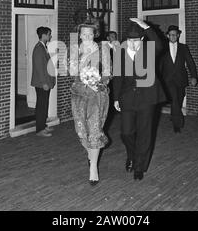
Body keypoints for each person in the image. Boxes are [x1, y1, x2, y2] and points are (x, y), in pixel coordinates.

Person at [112, 18, 166, 181]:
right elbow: (118, 77)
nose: (132, 43)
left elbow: (160, 45)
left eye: (135, 40)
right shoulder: (121, 52)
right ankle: (132, 154)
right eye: (129, 40)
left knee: (144, 132)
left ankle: (139, 166)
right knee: (126, 132)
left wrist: (146, 27)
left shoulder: (149, 49)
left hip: (147, 98)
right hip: (127, 97)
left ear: (142, 39)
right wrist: (116, 98)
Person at [69, 20, 111, 185]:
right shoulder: (74, 49)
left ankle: (93, 167)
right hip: (79, 93)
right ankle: (90, 154)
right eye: (84, 34)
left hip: (97, 95)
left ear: (95, 34)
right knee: (81, 131)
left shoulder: (103, 49)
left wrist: (99, 83)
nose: (87, 37)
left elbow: (108, 73)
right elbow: (72, 72)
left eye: (90, 34)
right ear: (79, 35)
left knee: (94, 130)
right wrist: (83, 58)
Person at [160, 25, 198, 134]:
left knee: (179, 100)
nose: (173, 36)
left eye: (175, 35)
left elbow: (190, 63)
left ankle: (174, 115)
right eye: (171, 35)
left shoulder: (183, 47)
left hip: (181, 79)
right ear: (167, 36)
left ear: (178, 35)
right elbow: (160, 65)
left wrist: (194, 76)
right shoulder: (163, 48)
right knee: (175, 100)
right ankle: (177, 124)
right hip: (168, 80)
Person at [31, 27, 56, 138]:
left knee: (44, 104)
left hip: (45, 82)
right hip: (42, 83)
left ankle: (43, 125)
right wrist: (44, 83)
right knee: (41, 106)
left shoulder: (43, 47)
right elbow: (39, 68)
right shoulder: (38, 48)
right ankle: (39, 130)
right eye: (49, 34)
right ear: (44, 35)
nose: (50, 36)